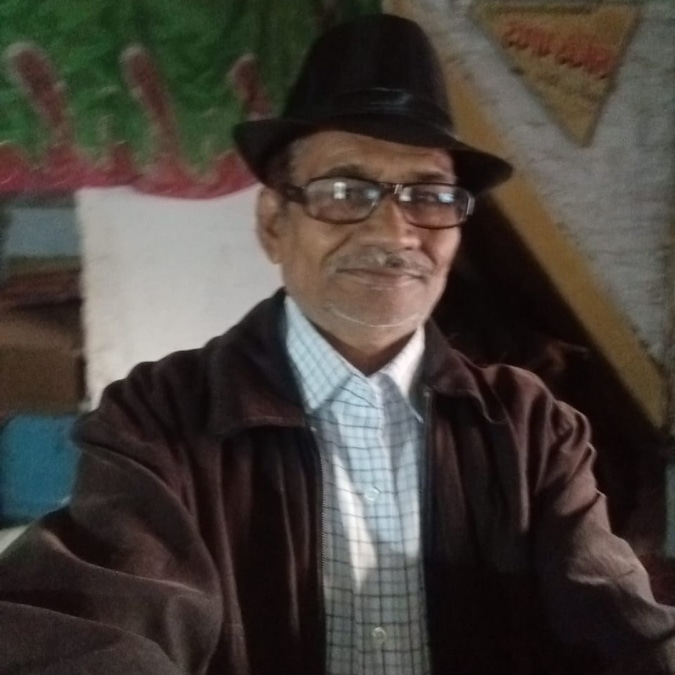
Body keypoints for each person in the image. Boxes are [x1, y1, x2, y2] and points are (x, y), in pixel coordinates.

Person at [1, 13, 674, 675]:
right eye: (345, 190)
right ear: (274, 222)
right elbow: (96, 625)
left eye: (428, 194)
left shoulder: (529, 427)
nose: (393, 231)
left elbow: (618, 623)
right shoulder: (157, 417)